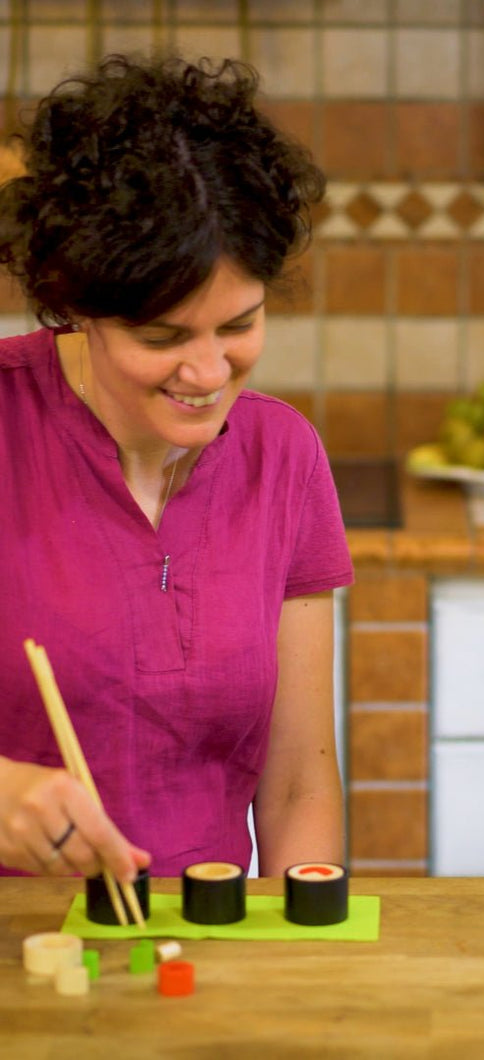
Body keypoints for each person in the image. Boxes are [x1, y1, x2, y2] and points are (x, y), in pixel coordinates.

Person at [0, 55, 353, 882]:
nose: (206, 373)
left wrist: (305, 958)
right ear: (73, 304)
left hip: (211, 943)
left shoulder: (283, 456)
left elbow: (300, 782)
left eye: (238, 326)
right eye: (162, 339)